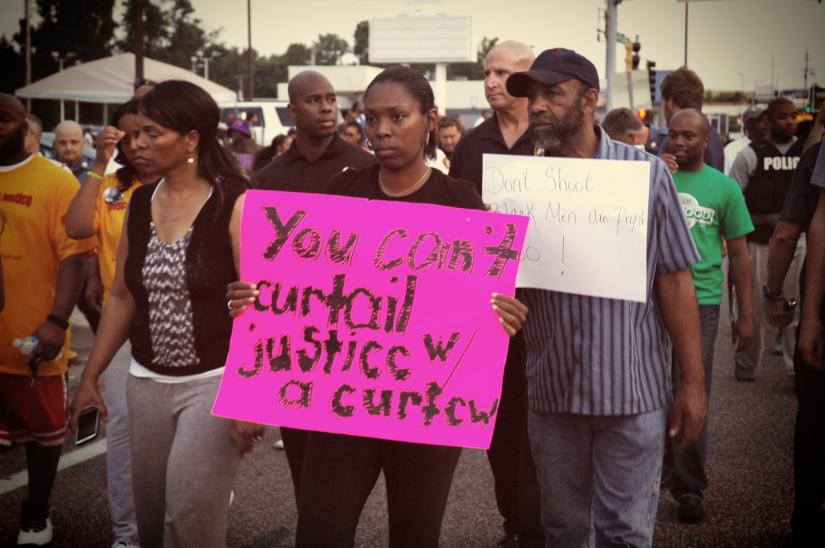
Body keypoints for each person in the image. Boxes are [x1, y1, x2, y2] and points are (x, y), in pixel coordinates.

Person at [297, 64, 526, 548]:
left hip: (426, 411)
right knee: (319, 532)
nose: (381, 130)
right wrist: (258, 296)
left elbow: (489, 302)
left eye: (397, 116)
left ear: (430, 121)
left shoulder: (461, 203)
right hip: (343, 402)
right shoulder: (341, 192)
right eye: (371, 117)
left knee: (415, 535)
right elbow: (304, 289)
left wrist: (507, 311)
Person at [506, 48, 705, 547]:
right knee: (563, 532)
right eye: (533, 96)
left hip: (632, 392)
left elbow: (675, 281)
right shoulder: (518, 187)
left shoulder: (647, 175)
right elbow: (501, 285)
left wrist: (692, 384)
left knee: (625, 535)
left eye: (553, 94)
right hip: (553, 393)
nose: (538, 106)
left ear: (589, 100)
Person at [69, 80, 258, 548]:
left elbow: (259, 304)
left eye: (152, 133)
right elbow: (121, 298)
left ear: (191, 139)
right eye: (136, 133)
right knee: (152, 521)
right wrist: (90, 378)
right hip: (144, 382)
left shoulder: (236, 201)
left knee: (189, 520)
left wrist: (251, 398)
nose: (137, 143)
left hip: (214, 383)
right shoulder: (138, 202)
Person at [246, 70, 375, 497]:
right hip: (293, 338)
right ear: (292, 110)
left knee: (347, 462)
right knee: (301, 459)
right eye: (314, 100)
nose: (326, 107)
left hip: (355, 334)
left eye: (331, 99)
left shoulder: (365, 167)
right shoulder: (268, 178)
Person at [448, 39, 543, 548]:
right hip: (487, 310)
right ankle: (516, 522)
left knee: (545, 423)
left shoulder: (553, 139)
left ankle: (545, 524)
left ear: (529, 80)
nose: (491, 81)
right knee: (499, 427)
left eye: (503, 73)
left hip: (547, 305)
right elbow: (455, 225)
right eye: (487, 71)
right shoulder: (470, 145)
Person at [0, 93, 95, 546]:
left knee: (44, 432)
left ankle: (36, 512)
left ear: (27, 127)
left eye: (4, 119)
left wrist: (58, 320)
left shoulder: (56, 181)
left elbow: (75, 257)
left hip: (32, 336)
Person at [66, 99, 157, 548]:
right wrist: (100, 163)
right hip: (121, 329)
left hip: (183, 327)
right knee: (121, 430)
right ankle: (128, 534)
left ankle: (189, 504)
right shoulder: (111, 189)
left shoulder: (195, 187)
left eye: (146, 132)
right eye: (126, 135)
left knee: (176, 431)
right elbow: (77, 226)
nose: (137, 144)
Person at [665, 108, 754, 522]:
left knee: (693, 389)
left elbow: (740, 255)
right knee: (651, 391)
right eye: (674, 135)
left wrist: (746, 314)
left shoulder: (724, 188)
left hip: (702, 303)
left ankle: (688, 486)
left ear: (706, 141)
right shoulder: (658, 177)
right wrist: (653, 173)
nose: (679, 143)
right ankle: (656, 470)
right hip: (653, 301)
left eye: (688, 136)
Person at [765, 137, 824, 545]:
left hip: (821, 310)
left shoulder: (815, 156)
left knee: (815, 421)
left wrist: (775, 295)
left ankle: (806, 517)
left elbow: (787, 233)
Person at [730, 97, 804, 380]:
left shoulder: (804, 152)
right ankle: (746, 364)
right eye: (783, 117)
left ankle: (796, 369)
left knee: (794, 306)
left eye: (793, 116)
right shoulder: (750, 155)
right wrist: (762, 221)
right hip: (759, 245)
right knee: (753, 307)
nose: (790, 121)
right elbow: (733, 203)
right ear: (768, 121)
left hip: (796, 245)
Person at [649, 67, 725, 171]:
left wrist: (657, 168)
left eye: (688, 136)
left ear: (670, 101)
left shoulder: (676, 142)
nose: (679, 142)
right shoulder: (712, 136)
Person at [723, 106, 768, 175]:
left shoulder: (773, 146)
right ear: (748, 125)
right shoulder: (731, 149)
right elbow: (726, 176)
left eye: (767, 120)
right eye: (760, 120)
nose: (765, 124)